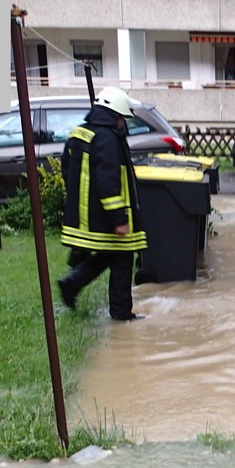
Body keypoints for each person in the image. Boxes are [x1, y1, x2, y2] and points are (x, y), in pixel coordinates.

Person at [56, 86, 148, 320]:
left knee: (109, 256)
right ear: (114, 114)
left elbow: (66, 169)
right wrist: (119, 218)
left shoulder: (80, 133)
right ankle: (121, 313)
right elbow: (108, 181)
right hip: (104, 217)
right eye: (122, 119)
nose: (123, 124)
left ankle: (72, 283)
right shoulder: (107, 139)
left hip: (85, 215)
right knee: (122, 259)